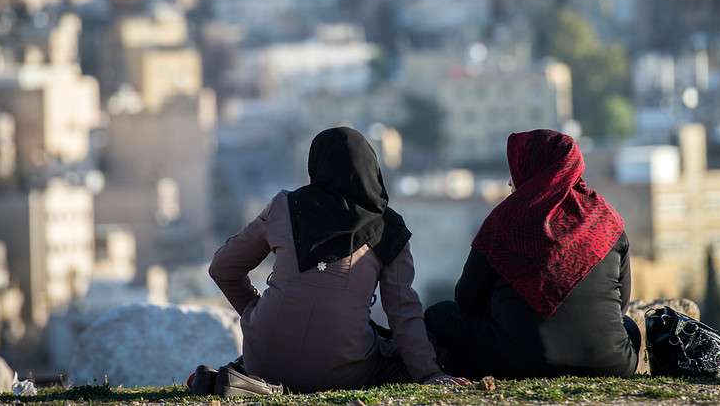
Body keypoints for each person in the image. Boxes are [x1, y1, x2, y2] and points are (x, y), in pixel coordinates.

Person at [209, 127, 468, 392]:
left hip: (262, 361)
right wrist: (429, 374)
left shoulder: (285, 207)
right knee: (403, 349)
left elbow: (222, 268)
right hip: (342, 373)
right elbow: (403, 311)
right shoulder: (388, 228)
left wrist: (255, 312)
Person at [424, 129, 641, 379]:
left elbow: (467, 299)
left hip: (516, 365)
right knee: (628, 327)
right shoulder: (606, 220)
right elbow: (621, 303)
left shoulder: (505, 221)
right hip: (612, 364)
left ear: (533, 170)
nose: (510, 182)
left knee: (440, 315)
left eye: (516, 169)